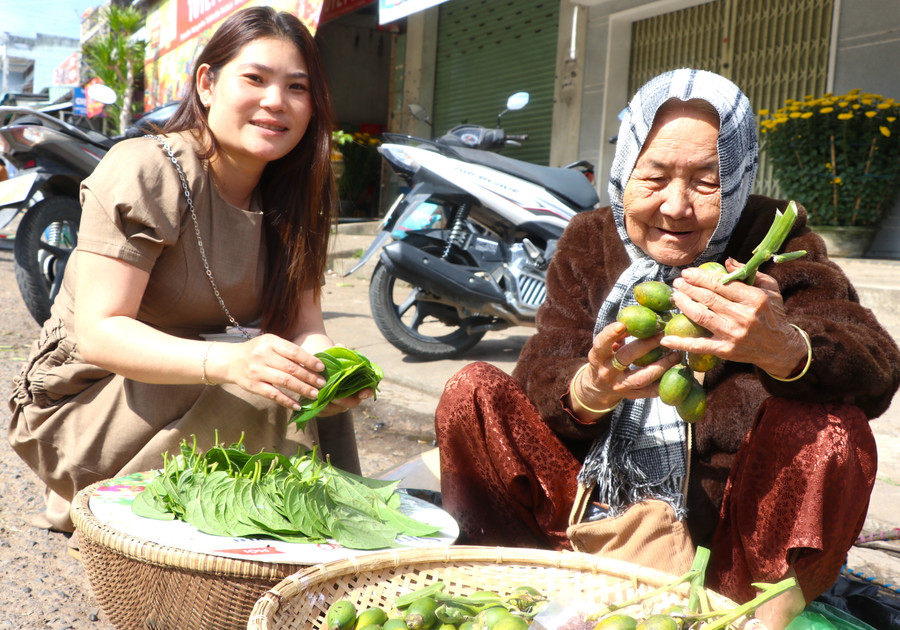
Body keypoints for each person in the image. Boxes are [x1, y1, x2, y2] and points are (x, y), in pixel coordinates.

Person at [435, 68, 900, 630]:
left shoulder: (776, 242)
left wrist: (781, 347)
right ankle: (507, 579)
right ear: (624, 169)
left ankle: (750, 617)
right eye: (653, 177)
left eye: (707, 181)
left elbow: (876, 365)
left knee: (832, 427)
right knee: (472, 393)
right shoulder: (590, 238)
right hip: (575, 518)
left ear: (738, 177)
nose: (676, 207)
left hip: (725, 550)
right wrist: (588, 390)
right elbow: (540, 368)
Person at [8, 6, 371, 534]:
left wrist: (330, 371)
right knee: (255, 382)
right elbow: (99, 333)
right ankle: (96, 494)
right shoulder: (149, 170)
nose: (276, 101)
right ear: (207, 83)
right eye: (255, 78)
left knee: (299, 386)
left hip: (179, 388)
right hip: (82, 401)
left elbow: (304, 328)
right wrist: (231, 363)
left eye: (297, 87)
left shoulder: (299, 200)